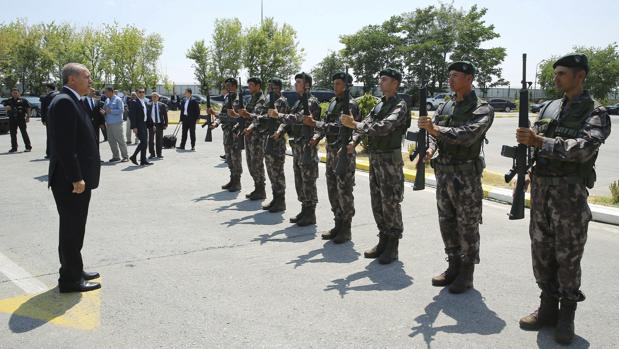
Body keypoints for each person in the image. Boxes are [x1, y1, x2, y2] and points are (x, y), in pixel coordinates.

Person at [516, 54, 611, 345]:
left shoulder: (596, 112)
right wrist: (529, 169)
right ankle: (547, 308)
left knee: (567, 257)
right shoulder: (548, 106)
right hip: (542, 191)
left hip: (568, 195)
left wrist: (539, 142)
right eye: (555, 73)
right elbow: (531, 140)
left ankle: (566, 315)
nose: (556, 78)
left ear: (580, 76)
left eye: (562, 74)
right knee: (541, 251)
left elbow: (583, 148)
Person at [418, 61, 495, 294]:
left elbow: (468, 135)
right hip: (444, 174)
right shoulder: (445, 106)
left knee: (467, 225)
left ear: (469, 79)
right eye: (449, 75)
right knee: (447, 221)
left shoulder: (482, 108)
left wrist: (435, 131)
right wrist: (431, 148)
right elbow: (434, 133)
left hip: (466, 176)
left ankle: (467, 272)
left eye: (456, 76)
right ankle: (453, 265)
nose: (451, 79)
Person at [341, 68, 409, 265]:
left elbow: (384, 127)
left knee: (390, 202)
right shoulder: (379, 105)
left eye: (385, 80)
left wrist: (354, 125)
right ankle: (383, 240)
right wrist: (354, 141)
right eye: (380, 79)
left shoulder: (400, 105)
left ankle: (393, 245)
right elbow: (366, 123)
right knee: (377, 201)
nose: (380, 82)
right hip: (376, 159)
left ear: (395, 83)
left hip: (390, 161)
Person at [47, 62, 101, 293]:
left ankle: (74, 268)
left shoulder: (72, 100)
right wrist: (76, 177)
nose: (90, 81)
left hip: (75, 179)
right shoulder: (64, 103)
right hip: (70, 181)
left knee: (75, 227)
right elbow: (65, 148)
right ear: (72, 79)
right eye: (86, 77)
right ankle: (69, 279)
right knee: (71, 228)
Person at [306, 72, 361, 243]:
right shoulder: (332, 103)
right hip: (331, 151)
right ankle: (338, 223)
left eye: (338, 83)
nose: (334, 86)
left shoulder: (350, 105)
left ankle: (346, 227)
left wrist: (316, 124)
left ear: (347, 85)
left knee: (344, 190)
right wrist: (317, 136)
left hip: (343, 152)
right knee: (332, 188)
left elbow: (339, 127)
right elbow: (325, 123)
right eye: (334, 83)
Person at [268, 72, 321, 226]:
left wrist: (279, 115)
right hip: (297, 146)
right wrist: (280, 130)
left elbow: (298, 117)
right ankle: (304, 209)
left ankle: (310, 213)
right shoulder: (298, 102)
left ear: (307, 85)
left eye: (299, 82)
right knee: (300, 180)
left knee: (308, 181)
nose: (295, 84)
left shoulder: (311, 102)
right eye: (295, 81)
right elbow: (289, 118)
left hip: (307, 147)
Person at [231, 77, 267, 200]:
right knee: (251, 163)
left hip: (257, 137)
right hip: (248, 135)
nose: (249, 87)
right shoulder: (252, 98)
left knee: (257, 163)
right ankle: (257, 187)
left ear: (258, 86)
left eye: (251, 85)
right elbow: (245, 115)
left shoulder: (262, 100)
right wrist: (238, 120)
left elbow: (258, 117)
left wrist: (247, 117)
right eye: (249, 85)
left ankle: (261, 189)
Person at [260, 78, 289, 212]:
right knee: (271, 171)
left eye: (272, 88)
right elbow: (264, 117)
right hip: (268, 138)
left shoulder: (281, 101)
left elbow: (283, 120)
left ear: (278, 88)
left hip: (277, 141)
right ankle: (275, 198)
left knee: (277, 171)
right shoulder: (268, 101)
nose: (270, 90)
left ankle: (280, 201)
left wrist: (279, 131)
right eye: (269, 87)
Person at [211, 78, 243, 192]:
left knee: (235, 158)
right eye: (226, 86)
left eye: (229, 85)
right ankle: (232, 179)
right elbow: (223, 114)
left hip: (235, 132)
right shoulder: (227, 98)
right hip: (226, 132)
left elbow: (234, 116)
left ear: (235, 86)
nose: (227, 88)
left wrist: (216, 114)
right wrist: (216, 122)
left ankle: (237, 182)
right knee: (229, 158)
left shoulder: (239, 99)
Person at [103, 87, 129, 162]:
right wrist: (104, 112)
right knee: (111, 141)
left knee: (120, 140)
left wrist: (111, 111)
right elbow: (105, 109)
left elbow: (121, 110)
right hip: (109, 123)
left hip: (116, 123)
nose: (105, 94)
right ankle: (116, 156)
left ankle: (125, 156)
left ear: (111, 92)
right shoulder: (107, 100)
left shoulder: (118, 99)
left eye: (106, 92)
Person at [2, 88, 32, 153]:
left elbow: (28, 108)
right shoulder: (9, 101)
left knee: (24, 133)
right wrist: (6, 107)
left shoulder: (23, 100)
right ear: (11, 94)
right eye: (13, 93)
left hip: (21, 118)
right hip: (12, 119)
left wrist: (28, 117)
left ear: (19, 93)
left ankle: (28, 147)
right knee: (13, 134)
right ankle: (14, 148)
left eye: (16, 93)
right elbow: (3, 106)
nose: (15, 94)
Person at [128, 89, 153, 166]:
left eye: (143, 92)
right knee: (143, 142)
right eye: (140, 92)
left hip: (144, 124)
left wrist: (152, 125)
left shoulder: (144, 102)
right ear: (137, 93)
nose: (142, 93)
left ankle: (143, 160)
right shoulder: (134, 102)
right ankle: (134, 156)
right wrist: (134, 127)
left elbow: (147, 114)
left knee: (145, 143)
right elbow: (132, 115)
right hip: (139, 125)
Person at [148, 92, 168, 159]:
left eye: (156, 96)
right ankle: (152, 154)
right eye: (153, 96)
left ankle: (159, 154)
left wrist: (166, 124)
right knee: (151, 140)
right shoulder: (149, 105)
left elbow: (165, 115)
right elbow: (148, 116)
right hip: (151, 124)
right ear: (151, 98)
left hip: (160, 124)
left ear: (158, 98)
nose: (154, 98)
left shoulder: (162, 105)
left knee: (159, 140)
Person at [40, 83, 58, 159]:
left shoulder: (46, 97)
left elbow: (43, 109)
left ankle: (49, 153)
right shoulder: (60, 94)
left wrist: (43, 119)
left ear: (48, 88)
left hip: (50, 119)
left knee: (50, 136)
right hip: (59, 119)